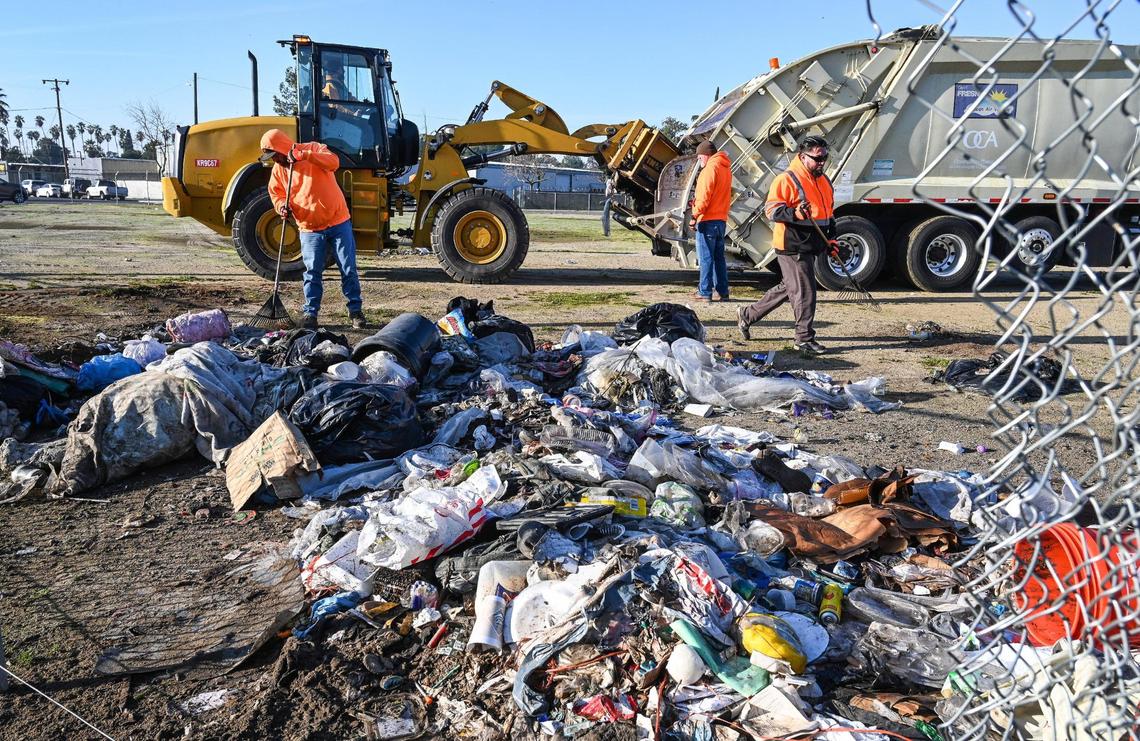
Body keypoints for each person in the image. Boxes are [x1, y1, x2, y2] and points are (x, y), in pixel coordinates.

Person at [737, 135, 839, 354]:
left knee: (790, 287)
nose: (821, 162)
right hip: (792, 245)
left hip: (813, 243)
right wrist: (794, 213)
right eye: (817, 158)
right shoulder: (787, 179)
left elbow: (828, 214)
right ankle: (803, 338)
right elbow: (771, 211)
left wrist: (830, 239)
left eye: (824, 158)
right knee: (805, 291)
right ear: (802, 156)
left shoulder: (824, 180)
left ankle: (747, 314)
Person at [260, 128, 367, 330]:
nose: (275, 160)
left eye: (275, 155)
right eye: (271, 157)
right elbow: (276, 193)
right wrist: (281, 205)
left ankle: (355, 312)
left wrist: (305, 155)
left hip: (338, 221)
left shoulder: (313, 149)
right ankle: (310, 314)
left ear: (283, 147)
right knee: (312, 272)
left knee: (348, 268)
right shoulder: (279, 170)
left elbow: (334, 162)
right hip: (309, 228)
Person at [690, 140, 732, 302]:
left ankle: (704, 292)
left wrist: (694, 216)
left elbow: (704, 197)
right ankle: (722, 291)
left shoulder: (709, 170)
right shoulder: (725, 168)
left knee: (706, 258)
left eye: (700, 158)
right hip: (721, 220)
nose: (700, 161)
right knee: (719, 258)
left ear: (706, 155)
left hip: (707, 220)